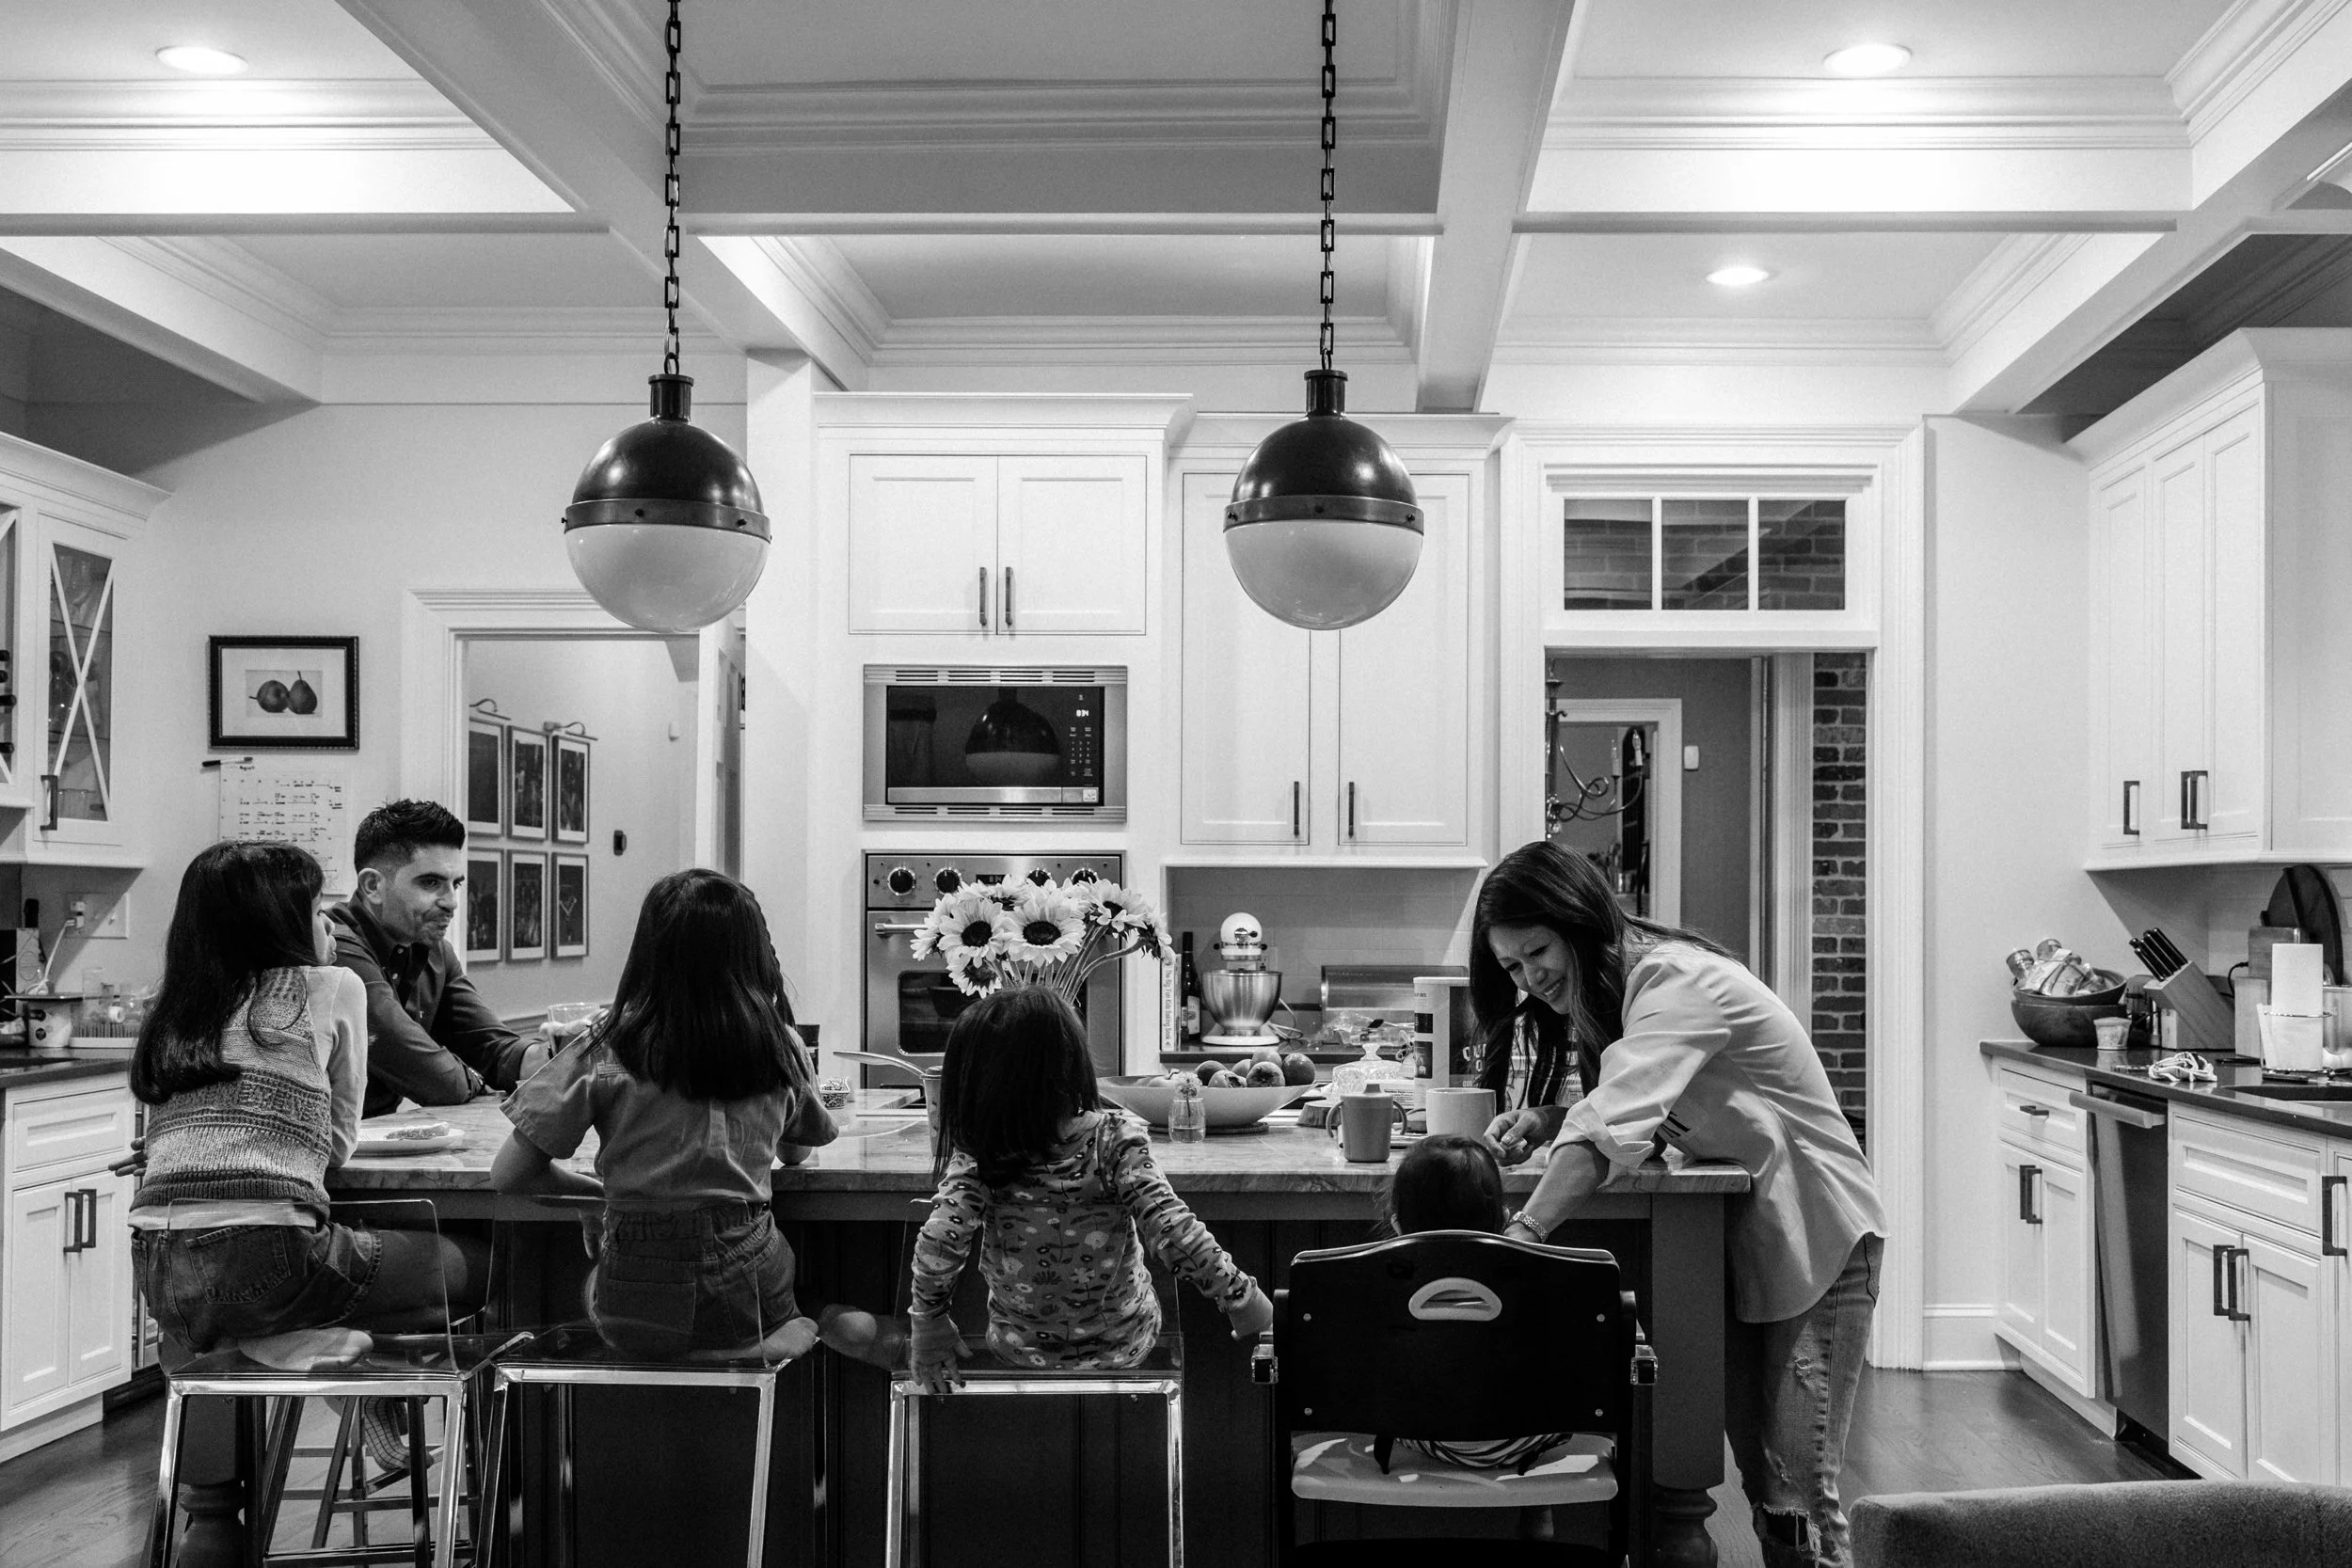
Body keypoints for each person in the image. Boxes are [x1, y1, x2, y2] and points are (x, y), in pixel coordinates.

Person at [1475, 840, 1885, 1568]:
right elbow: (1636, 1100)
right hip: (1761, 1237)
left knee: (1797, 1494)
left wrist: (1524, 1232)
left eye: (1537, 950)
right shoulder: (1628, 989)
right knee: (1767, 1483)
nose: (1530, 977)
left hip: (1819, 1231)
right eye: (1512, 966)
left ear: (1578, 920)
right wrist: (1545, 1118)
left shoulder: (1674, 980)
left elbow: (1612, 1125)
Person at [129, 841, 488, 1370]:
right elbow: (336, 1148)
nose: (332, 928)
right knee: (486, 1263)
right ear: (280, 925)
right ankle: (357, 1372)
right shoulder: (333, 985)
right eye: (319, 911)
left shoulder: (178, 1008)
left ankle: (284, 1339)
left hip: (159, 1275)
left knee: (314, 1283)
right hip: (269, 1259)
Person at [492, 869, 837, 1359]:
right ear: (756, 950)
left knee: (593, 1288)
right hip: (750, 1283)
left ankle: (672, 1352)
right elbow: (797, 1153)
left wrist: (596, 1201)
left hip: (636, 1287)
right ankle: (732, 1348)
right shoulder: (780, 1044)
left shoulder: (606, 1044)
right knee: (786, 1286)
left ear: (648, 953)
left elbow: (510, 1175)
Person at [890, 986, 1274, 1391]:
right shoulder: (1112, 1140)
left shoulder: (981, 1152)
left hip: (1016, 1349)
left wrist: (928, 1323)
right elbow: (1172, 1228)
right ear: (1069, 1063)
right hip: (1125, 1346)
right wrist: (1242, 1298)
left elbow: (939, 1241)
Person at [328, 800, 540, 1117]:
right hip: (314, 1157)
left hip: (373, 1148)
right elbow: (438, 1081)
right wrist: (476, 1079)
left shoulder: (433, 949)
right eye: (431, 883)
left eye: (455, 884)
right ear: (373, 886)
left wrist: (557, 1051)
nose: (452, 902)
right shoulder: (336, 948)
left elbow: (494, 1050)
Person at [1378, 1134, 1566, 1473]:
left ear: (1397, 1226)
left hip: (1422, 1434)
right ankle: (1536, 1510)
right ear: (1504, 1221)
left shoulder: (1379, 1291)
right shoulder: (1537, 1284)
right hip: (1525, 1436)